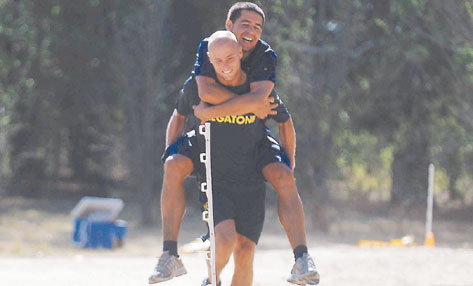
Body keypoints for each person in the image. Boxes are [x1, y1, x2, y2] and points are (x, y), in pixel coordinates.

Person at [149, 3, 319, 285]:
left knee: (247, 249)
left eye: (257, 26)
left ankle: (301, 258)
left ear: (240, 53)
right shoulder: (207, 51)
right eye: (245, 24)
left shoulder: (264, 59)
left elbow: (280, 117)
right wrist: (171, 161)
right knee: (173, 165)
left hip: (251, 152)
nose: (251, 31)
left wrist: (289, 167)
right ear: (228, 26)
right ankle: (171, 254)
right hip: (213, 155)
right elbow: (187, 107)